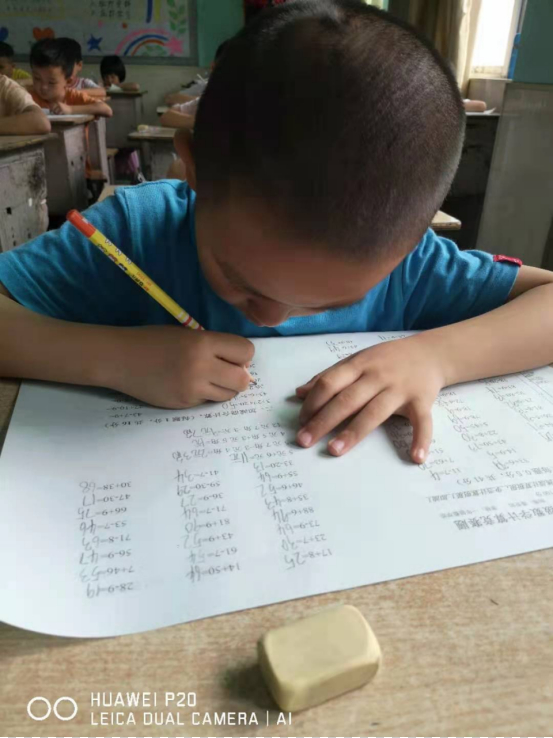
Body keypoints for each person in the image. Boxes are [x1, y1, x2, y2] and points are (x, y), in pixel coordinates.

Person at [1, 0, 552, 466]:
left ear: (411, 237)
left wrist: (435, 358)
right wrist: (117, 358)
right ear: (194, 169)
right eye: (241, 281)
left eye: (330, 304)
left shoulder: (409, 265)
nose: (269, 318)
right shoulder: (136, 233)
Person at [29, 39, 112, 118]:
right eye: (37, 78)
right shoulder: (29, 97)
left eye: (51, 82)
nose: (43, 87)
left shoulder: (72, 96)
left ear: (68, 81)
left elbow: (107, 110)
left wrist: (71, 109)